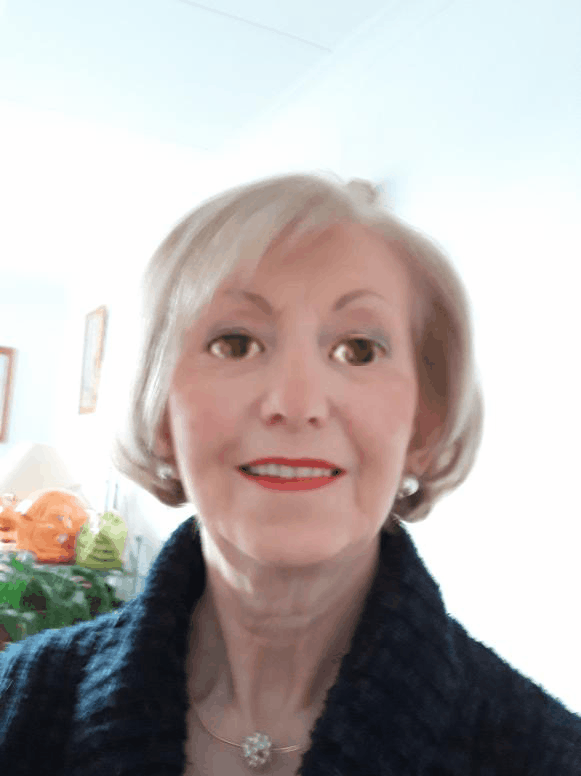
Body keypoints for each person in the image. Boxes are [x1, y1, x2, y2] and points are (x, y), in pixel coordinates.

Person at [1, 172, 579, 775]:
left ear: (425, 423)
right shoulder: (18, 700)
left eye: (358, 350)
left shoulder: (547, 756)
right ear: (160, 406)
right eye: (235, 343)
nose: (297, 402)